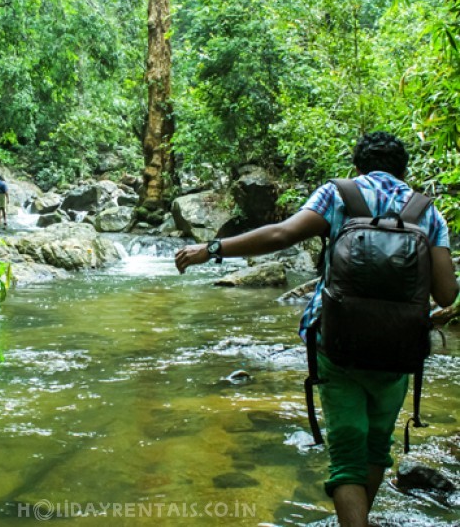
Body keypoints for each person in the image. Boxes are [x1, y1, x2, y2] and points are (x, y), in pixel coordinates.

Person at [175, 131, 458, 527]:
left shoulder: (339, 194)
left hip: (337, 343)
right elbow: (446, 294)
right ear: (403, 171)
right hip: (399, 350)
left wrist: (212, 249)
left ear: (357, 166)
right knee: (376, 449)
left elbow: (280, 234)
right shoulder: (427, 211)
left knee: (346, 459)